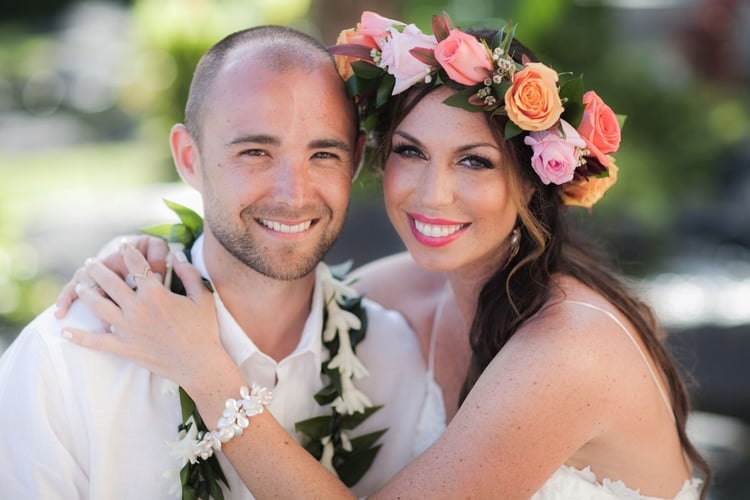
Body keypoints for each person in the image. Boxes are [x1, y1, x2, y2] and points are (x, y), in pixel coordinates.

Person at [55, 11, 710, 499]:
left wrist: (208, 373)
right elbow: (266, 290)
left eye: (475, 161)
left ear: (534, 177)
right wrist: (149, 259)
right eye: (410, 152)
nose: (434, 194)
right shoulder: (403, 292)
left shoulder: (568, 347)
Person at [0, 25, 432, 499]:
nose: (295, 193)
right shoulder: (65, 362)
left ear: (352, 165)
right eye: (255, 152)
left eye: (323, 154)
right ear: (189, 158)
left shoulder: (396, 360)